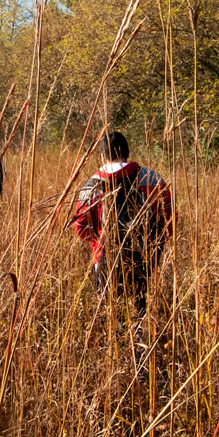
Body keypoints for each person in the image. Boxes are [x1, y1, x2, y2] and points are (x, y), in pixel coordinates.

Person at [71, 130, 172, 313]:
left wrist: (97, 241)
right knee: (141, 312)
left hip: (104, 258)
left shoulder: (90, 185)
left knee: (111, 312)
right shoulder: (153, 179)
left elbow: (80, 227)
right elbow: (168, 220)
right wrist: (155, 247)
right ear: (127, 153)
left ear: (102, 155)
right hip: (144, 257)